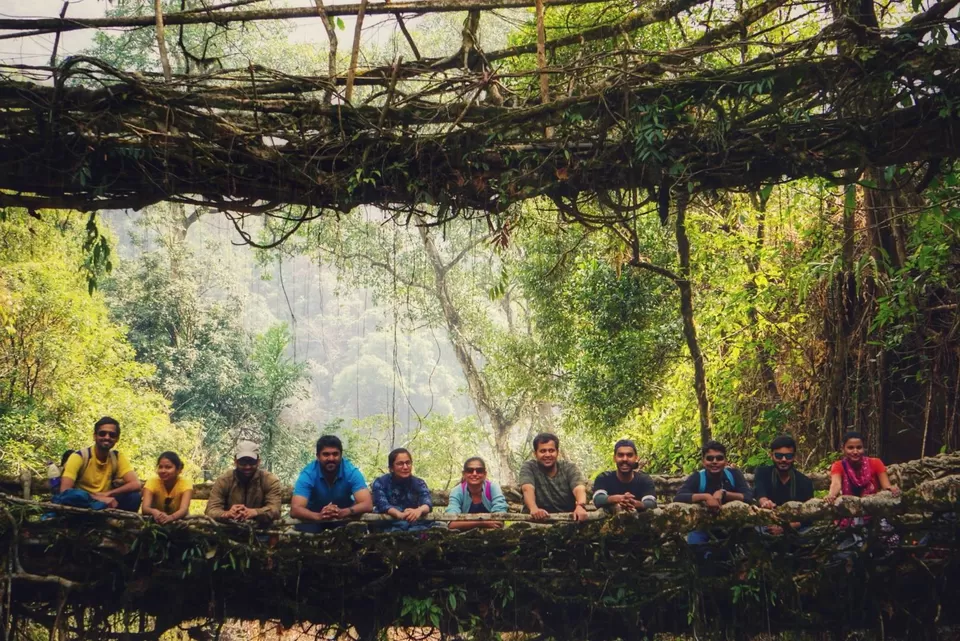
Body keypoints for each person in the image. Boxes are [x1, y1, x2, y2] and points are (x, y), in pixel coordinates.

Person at [54, 417, 142, 511]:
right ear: (94, 436)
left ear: (117, 439)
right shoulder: (79, 457)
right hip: (82, 504)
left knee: (134, 496)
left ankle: (124, 523)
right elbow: (65, 490)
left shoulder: (117, 457)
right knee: (76, 496)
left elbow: (136, 483)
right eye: (102, 433)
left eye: (112, 435)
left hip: (108, 502)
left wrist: (108, 494)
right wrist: (98, 498)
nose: (107, 437)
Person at [674, 440, 753, 545]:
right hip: (705, 527)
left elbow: (748, 497)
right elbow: (679, 497)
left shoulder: (734, 475)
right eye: (710, 458)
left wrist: (724, 493)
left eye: (719, 458)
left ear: (725, 461)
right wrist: (706, 497)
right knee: (694, 543)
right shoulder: (698, 477)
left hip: (735, 526)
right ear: (703, 461)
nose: (714, 462)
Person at [291, 435, 372, 531]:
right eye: (326, 454)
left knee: (357, 528)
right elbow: (295, 509)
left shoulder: (351, 472)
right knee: (304, 530)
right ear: (318, 456)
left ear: (341, 455)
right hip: (313, 518)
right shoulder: (308, 474)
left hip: (343, 517)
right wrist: (318, 516)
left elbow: (367, 504)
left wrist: (345, 512)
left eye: (335, 454)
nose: (331, 458)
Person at [204, 441, 282, 525]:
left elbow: (275, 509)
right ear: (235, 462)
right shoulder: (224, 480)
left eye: (251, 462)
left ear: (258, 462)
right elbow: (211, 510)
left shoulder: (269, 480)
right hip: (228, 528)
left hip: (261, 529)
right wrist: (227, 514)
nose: (247, 466)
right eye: (243, 462)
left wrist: (255, 512)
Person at [519, 433, 589, 522]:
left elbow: (579, 488)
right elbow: (527, 488)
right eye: (543, 451)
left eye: (551, 450)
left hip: (566, 520)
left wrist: (580, 506)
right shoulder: (529, 467)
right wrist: (534, 508)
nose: (547, 455)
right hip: (535, 521)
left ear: (557, 452)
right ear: (535, 454)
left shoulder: (569, 467)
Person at [753, 435, 814, 535]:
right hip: (768, 524)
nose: (784, 460)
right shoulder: (762, 473)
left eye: (788, 456)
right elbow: (760, 493)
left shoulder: (805, 482)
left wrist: (786, 527)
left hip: (794, 528)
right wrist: (765, 503)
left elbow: (809, 517)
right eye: (779, 456)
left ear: (794, 457)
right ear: (771, 455)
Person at [825, 431, 900, 504]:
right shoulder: (838, 465)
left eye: (859, 447)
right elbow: (836, 484)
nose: (855, 452)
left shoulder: (876, 462)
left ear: (863, 448)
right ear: (843, 449)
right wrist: (831, 495)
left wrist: (891, 489)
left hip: (872, 508)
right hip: (848, 510)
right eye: (850, 448)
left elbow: (886, 486)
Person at [371, 448, 433, 530]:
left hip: (414, 523)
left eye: (408, 463)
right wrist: (399, 514)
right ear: (391, 468)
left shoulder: (419, 483)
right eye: (400, 464)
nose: (405, 467)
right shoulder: (381, 483)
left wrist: (419, 511)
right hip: (389, 524)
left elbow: (427, 502)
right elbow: (383, 505)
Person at [592, 439, 657, 513]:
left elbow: (651, 502)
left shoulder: (644, 480)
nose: (625, 459)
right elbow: (598, 499)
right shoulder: (604, 478)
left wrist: (633, 503)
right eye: (620, 455)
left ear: (636, 458)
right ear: (614, 458)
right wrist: (619, 498)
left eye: (629, 455)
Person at [446, 457, 508, 530]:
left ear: (485, 474)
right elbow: (452, 523)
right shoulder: (457, 491)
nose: (474, 474)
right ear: (464, 474)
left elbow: (499, 519)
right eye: (470, 470)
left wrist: (464, 523)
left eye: (479, 470)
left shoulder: (492, 488)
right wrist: (483, 523)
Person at [142, 451, 193, 524]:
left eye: (168, 467)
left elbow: (184, 509)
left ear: (178, 470)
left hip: (180, 522)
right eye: (160, 467)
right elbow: (145, 508)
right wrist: (155, 512)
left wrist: (171, 517)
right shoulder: (152, 482)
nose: (163, 471)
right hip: (156, 522)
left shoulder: (185, 483)